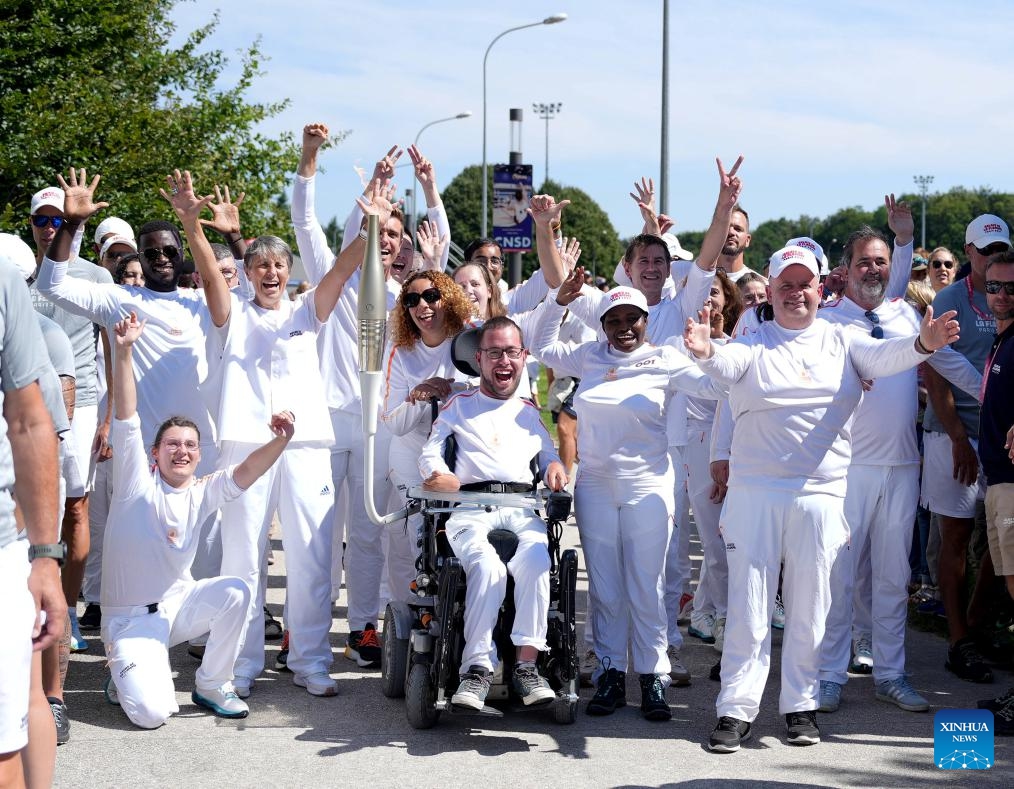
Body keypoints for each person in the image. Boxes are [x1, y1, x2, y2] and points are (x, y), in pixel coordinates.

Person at [684, 244, 960, 753]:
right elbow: (726, 364)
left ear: (820, 288)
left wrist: (922, 343)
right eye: (784, 285)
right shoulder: (754, 338)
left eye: (803, 284)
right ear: (771, 289)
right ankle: (735, 710)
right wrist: (704, 351)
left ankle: (800, 706)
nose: (795, 294)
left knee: (813, 607)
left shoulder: (843, 339)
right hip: (756, 494)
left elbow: (887, 356)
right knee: (750, 605)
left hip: (822, 494)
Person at [167, 168, 363, 698]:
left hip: (305, 448)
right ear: (249, 274)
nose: (272, 273)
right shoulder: (232, 314)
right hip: (245, 446)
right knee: (242, 557)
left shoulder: (307, 312)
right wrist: (192, 224)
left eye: (279, 265)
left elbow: (343, 272)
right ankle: (242, 661)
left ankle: (310, 660)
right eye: (262, 266)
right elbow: (210, 275)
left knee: (312, 554)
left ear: (288, 270)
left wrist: (371, 221)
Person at [533, 272, 725, 722]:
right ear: (602, 324)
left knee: (647, 583)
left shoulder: (666, 358)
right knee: (604, 585)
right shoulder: (589, 356)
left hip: (648, 483)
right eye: (613, 319)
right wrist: (556, 301)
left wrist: (709, 350)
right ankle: (610, 674)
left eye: (632, 318)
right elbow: (541, 346)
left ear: (645, 320)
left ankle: (652, 676)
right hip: (596, 483)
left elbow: (718, 387)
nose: (623, 327)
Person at [816, 227, 982, 716]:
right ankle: (828, 675)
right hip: (847, 467)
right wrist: (919, 347)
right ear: (845, 270)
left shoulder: (906, 313)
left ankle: (891, 673)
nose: (874, 269)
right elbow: (880, 358)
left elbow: (947, 361)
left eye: (882, 261)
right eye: (864, 261)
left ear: (894, 267)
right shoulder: (828, 322)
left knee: (892, 576)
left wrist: (993, 397)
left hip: (902, 464)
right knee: (839, 575)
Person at [101, 312, 294, 727]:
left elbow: (245, 472)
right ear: (155, 454)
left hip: (174, 608)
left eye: (190, 444)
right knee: (152, 715)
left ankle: (211, 683)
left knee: (236, 592)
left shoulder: (201, 490)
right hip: (129, 621)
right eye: (171, 444)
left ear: (199, 454)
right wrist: (124, 349)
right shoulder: (136, 480)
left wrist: (279, 441)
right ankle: (122, 673)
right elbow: (127, 417)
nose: (182, 451)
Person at [419, 316, 567, 709]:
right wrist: (439, 474)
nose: (504, 361)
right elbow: (431, 450)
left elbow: (548, 453)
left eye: (512, 352)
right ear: (480, 359)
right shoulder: (458, 405)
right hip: (470, 507)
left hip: (521, 507)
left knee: (537, 561)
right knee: (488, 568)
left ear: (524, 357)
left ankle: (526, 666)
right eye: (495, 353)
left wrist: (554, 466)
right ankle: (476, 670)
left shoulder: (529, 411)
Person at [921, 214, 1011, 684]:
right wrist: (958, 437)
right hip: (952, 434)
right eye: (984, 250)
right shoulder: (950, 298)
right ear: (968, 251)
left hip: (1000, 435)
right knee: (955, 537)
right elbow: (934, 373)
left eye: (1000, 249)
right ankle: (958, 641)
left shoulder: (1010, 293)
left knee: (1001, 542)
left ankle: (974, 626)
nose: (993, 257)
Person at [0, 251, 63, 787]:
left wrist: (43, 556)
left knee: (6, 735)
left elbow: (34, 425)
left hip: (3, 540)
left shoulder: (5, 292)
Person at [383, 270, 475, 609]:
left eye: (431, 296)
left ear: (447, 299)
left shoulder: (470, 340)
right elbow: (392, 422)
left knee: (464, 534)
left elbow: (490, 392)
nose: (422, 305)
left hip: (463, 456)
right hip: (412, 456)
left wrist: (453, 389)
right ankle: (424, 613)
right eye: (412, 300)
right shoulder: (401, 353)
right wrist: (419, 397)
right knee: (420, 539)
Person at [975, 250, 1014, 733]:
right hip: (999, 481)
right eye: (995, 285)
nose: (1002, 295)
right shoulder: (1001, 340)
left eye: (1012, 288)